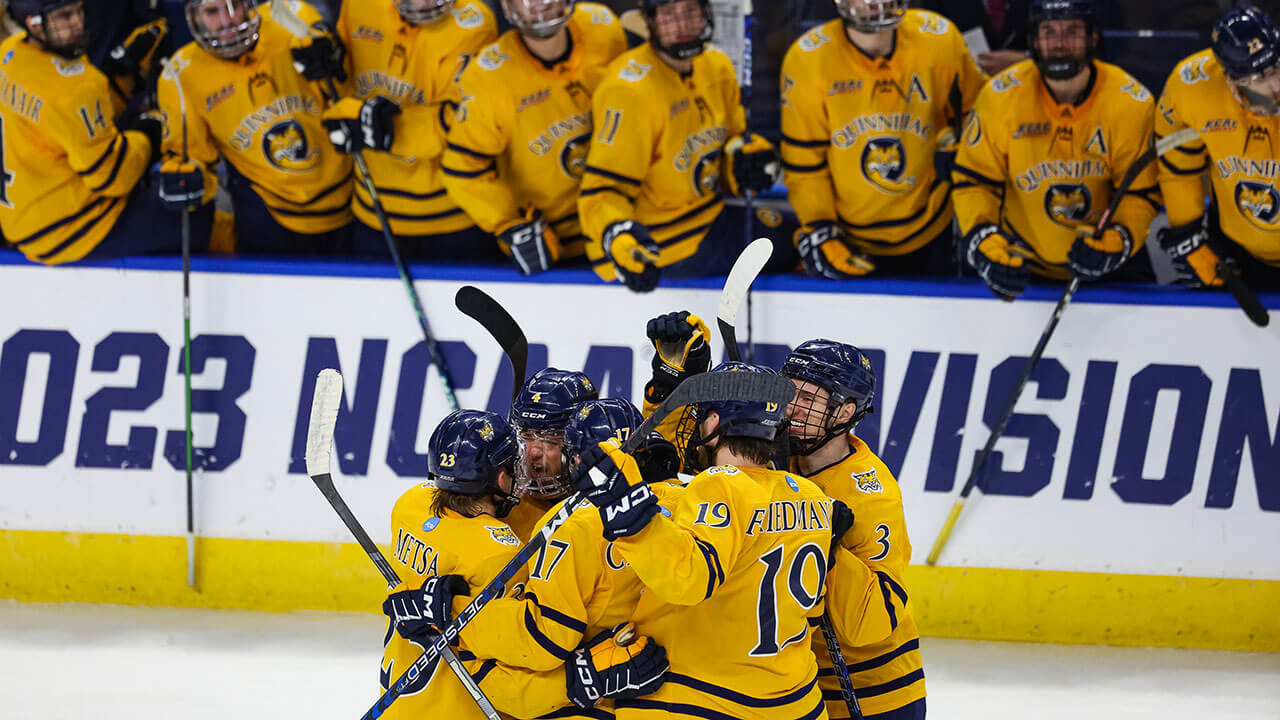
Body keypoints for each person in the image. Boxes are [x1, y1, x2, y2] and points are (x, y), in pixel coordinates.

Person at [572, 362, 849, 720]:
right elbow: (809, 611)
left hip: (709, 701)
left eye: (703, 418)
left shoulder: (718, 484)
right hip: (797, 703)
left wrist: (628, 512)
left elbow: (687, 579)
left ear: (715, 424)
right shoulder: (811, 495)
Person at [381, 408, 664, 719]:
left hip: (399, 707)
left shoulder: (407, 507)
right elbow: (521, 655)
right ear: (501, 479)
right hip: (455, 710)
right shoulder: (498, 553)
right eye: (512, 466)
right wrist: (583, 678)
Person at [952, 0, 1158, 300]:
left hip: (1110, 262)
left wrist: (1117, 240)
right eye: (1049, 31)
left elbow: (1140, 193)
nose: (1060, 43)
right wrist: (986, 244)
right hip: (1019, 260)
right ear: (1034, 40)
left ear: (1093, 38)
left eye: (1072, 31)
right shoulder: (1000, 96)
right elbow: (975, 181)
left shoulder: (1130, 102)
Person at [578, 0, 787, 293]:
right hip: (665, 244)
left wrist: (744, 162)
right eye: (668, 16)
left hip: (711, 217)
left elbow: (727, 147)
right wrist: (619, 238)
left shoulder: (716, 65)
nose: (682, 25)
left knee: (794, 233)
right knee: (793, 244)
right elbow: (602, 191)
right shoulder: (628, 91)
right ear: (650, 21)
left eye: (690, 11)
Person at [781, 0, 985, 279]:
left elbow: (980, 117)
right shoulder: (808, 60)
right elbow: (805, 166)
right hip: (849, 240)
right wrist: (820, 229)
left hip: (933, 229)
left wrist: (961, 148)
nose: (872, 2)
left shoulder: (940, 39)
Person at [0, 0, 202, 265]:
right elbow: (114, 177)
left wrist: (120, 80)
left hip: (20, 219)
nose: (76, 22)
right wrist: (148, 134)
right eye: (63, 16)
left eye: (78, 11)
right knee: (197, 215)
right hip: (69, 229)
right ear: (32, 23)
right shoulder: (74, 88)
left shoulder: (9, 54)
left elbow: (68, 126)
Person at [781, 340, 921, 720]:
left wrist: (828, 547)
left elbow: (875, 621)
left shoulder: (869, 494)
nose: (792, 408)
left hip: (877, 696)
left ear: (843, 412)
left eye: (808, 399)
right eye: (788, 392)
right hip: (803, 691)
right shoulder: (778, 459)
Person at [442, 0, 627, 274]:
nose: (539, 4)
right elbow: (462, 169)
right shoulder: (488, 76)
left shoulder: (602, 27)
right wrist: (510, 224)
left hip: (619, 225)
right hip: (552, 242)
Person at [157, 0, 353, 256]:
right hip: (268, 216)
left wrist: (335, 62)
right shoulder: (181, 75)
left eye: (233, 5)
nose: (228, 21)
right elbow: (194, 159)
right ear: (193, 18)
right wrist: (186, 179)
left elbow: (347, 93)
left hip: (348, 200)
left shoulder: (292, 20)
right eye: (212, 12)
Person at [307, 0, 498, 260]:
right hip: (374, 215)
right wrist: (323, 61)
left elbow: (466, 121)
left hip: (454, 219)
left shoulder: (474, 23)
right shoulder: (359, 6)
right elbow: (345, 90)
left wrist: (389, 130)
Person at [1154, 6, 1280, 291]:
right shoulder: (1193, 87)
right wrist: (1189, 238)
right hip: (1238, 252)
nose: (1274, 85)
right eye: (1259, 78)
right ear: (1231, 78)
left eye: (1276, 68)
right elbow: (1177, 170)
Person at [504, 367, 599, 538]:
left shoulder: (610, 501)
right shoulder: (500, 502)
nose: (532, 452)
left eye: (549, 438)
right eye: (526, 435)